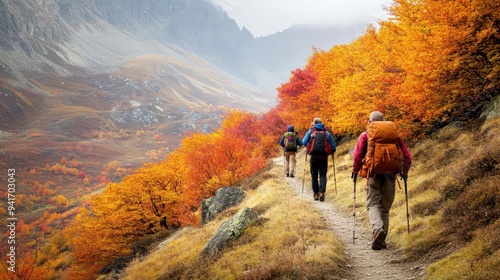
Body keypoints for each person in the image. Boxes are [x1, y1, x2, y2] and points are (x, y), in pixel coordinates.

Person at [351, 111, 412, 250]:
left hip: (373, 174)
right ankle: (382, 240)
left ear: (370, 121)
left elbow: (357, 155)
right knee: (385, 207)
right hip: (391, 173)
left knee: (372, 203)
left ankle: (377, 230)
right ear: (383, 121)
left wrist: (355, 170)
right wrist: (404, 171)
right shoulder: (394, 135)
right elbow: (407, 156)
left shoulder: (366, 135)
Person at [302, 117, 336, 201]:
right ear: (321, 123)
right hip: (323, 158)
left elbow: (303, 142)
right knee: (323, 175)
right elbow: (333, 147)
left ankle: (316, 194)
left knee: (314, 175)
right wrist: (330, 152)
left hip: (313, 157)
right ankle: (322, 192)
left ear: (314, 123)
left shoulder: (311, 132)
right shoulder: (326, 133)